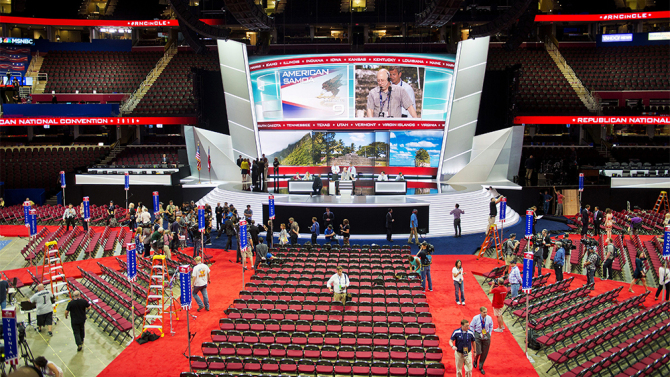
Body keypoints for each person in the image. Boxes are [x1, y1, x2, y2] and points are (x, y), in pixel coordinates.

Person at [469, 306, 493, 375]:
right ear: (481, 312)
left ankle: (481, 366)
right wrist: (473, 334)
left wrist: (490, 334)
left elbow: (491, 326)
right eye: (484, 312)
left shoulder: (489, 318)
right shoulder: (476, 318)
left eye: (486, 312)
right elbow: (471, 326)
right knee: (478, 351)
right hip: (477, 334)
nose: (485, 313)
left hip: (486, 335)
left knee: (484, 353)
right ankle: (475, 360)